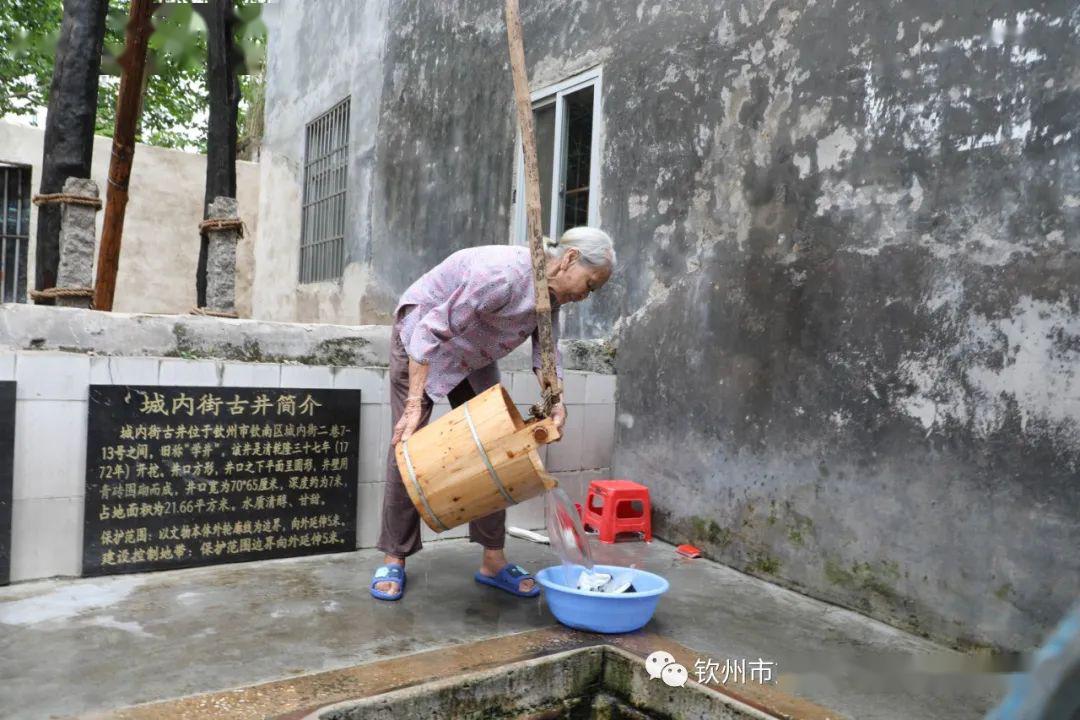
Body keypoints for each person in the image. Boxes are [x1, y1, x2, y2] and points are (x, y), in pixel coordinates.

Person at [371, 226, 616, 601]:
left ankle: (493, 561)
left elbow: (545, 353)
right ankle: (394, 556)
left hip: (474, 351)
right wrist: (414, 403)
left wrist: (557, 400)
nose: (587, 295)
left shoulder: (555, 294)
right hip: (422, 336)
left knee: (498, 443)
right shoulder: (501, 276)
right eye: (590, 283)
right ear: (569, 260)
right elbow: (428, 334)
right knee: (407, 444)